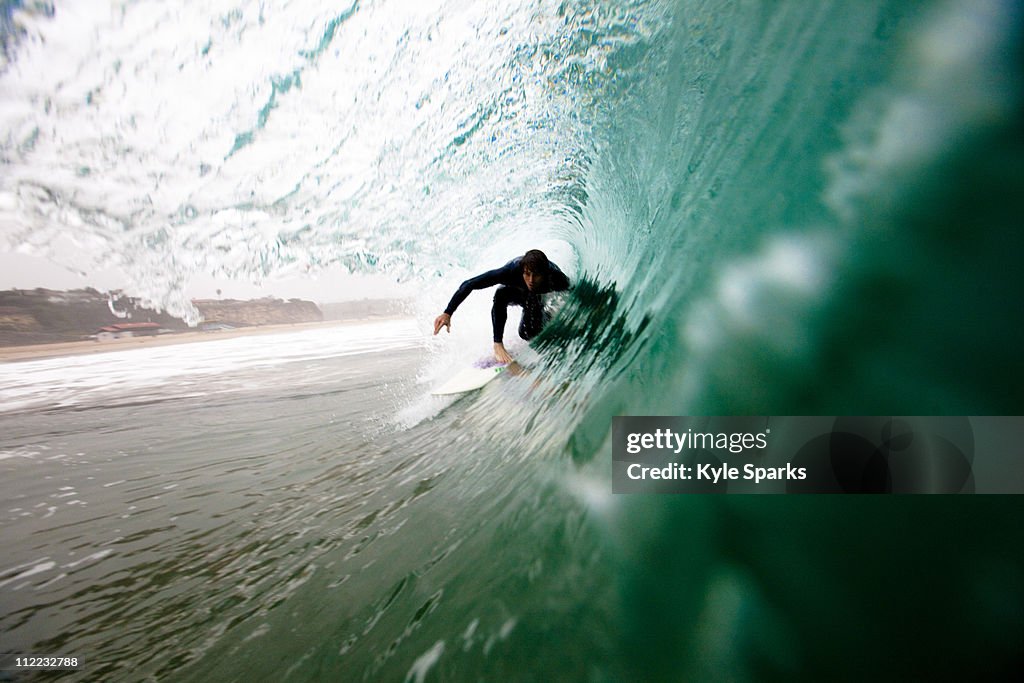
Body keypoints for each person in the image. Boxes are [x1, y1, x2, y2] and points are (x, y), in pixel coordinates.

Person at [433, 249, 570, 363]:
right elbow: (470, 283)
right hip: (515, 292)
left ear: (544, 274)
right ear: (523, 270)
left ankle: (545, 317)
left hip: (535, 298)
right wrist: (448, 312)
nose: (531, 280)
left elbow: (572, 294)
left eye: (536, 276)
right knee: (500, 294)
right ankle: (498, 344)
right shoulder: (510, 271)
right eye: (527, 274)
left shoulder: (556, 278)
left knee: (527, 333)